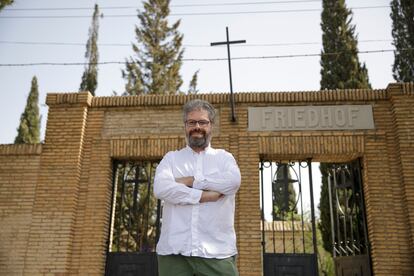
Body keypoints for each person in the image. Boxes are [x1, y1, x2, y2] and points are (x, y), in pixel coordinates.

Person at [154, 99, 241, 276]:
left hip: (218, 253)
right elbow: (162, 189)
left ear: (211, 126)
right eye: (192, 122)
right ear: (185, 126)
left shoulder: (224, 158)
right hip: (174, 253)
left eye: (202, 122)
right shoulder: (171, 159)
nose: (197, 127)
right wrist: (205, 196)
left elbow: (233, 183)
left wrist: (192, 181)